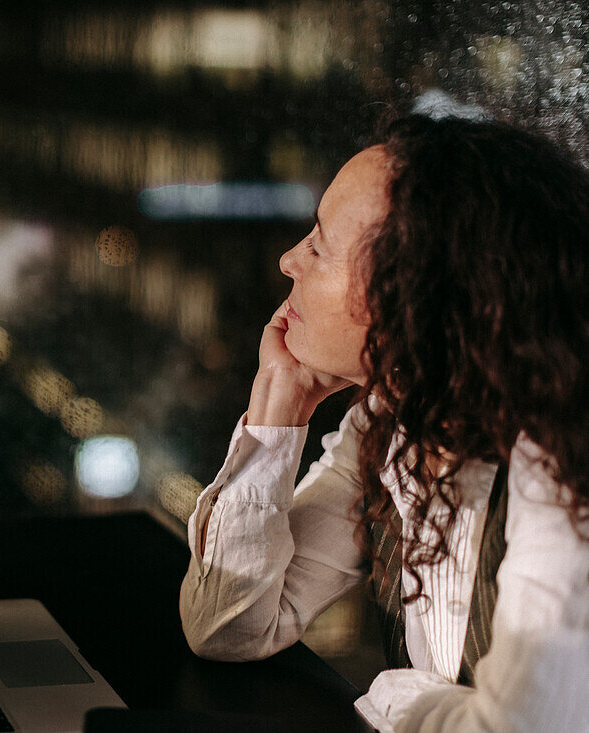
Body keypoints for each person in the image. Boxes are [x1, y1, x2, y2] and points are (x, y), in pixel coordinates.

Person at [179, 115, 588, 732]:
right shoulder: (391, 423)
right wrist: (279, 406)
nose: (289, 260)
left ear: (417, 293)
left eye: (319, 245)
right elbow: (228, 627)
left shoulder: (559, 453)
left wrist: (395, 699)